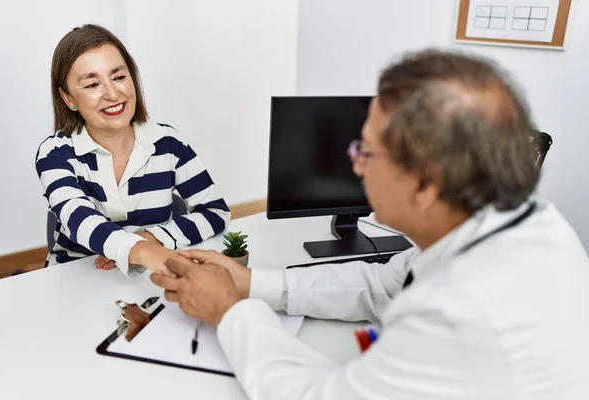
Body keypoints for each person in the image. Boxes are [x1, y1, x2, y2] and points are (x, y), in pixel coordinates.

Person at [151, 49, 589, 399]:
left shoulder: (463, 314)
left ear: (426, 182)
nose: (356, 165)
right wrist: (249, 283)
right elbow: (382, 284)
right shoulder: (510, 223)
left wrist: (229, 310)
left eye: (367, 151)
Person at [36, 24, 230, 277]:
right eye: (92, 84)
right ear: (68, 98)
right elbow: (79, 219)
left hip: (144, 277)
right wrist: (141, 250)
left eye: (119, 77)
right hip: (74, 278)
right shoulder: (55, 153)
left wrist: (151, 238)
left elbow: (215, 211)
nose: (113, 93)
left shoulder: (168, 142)